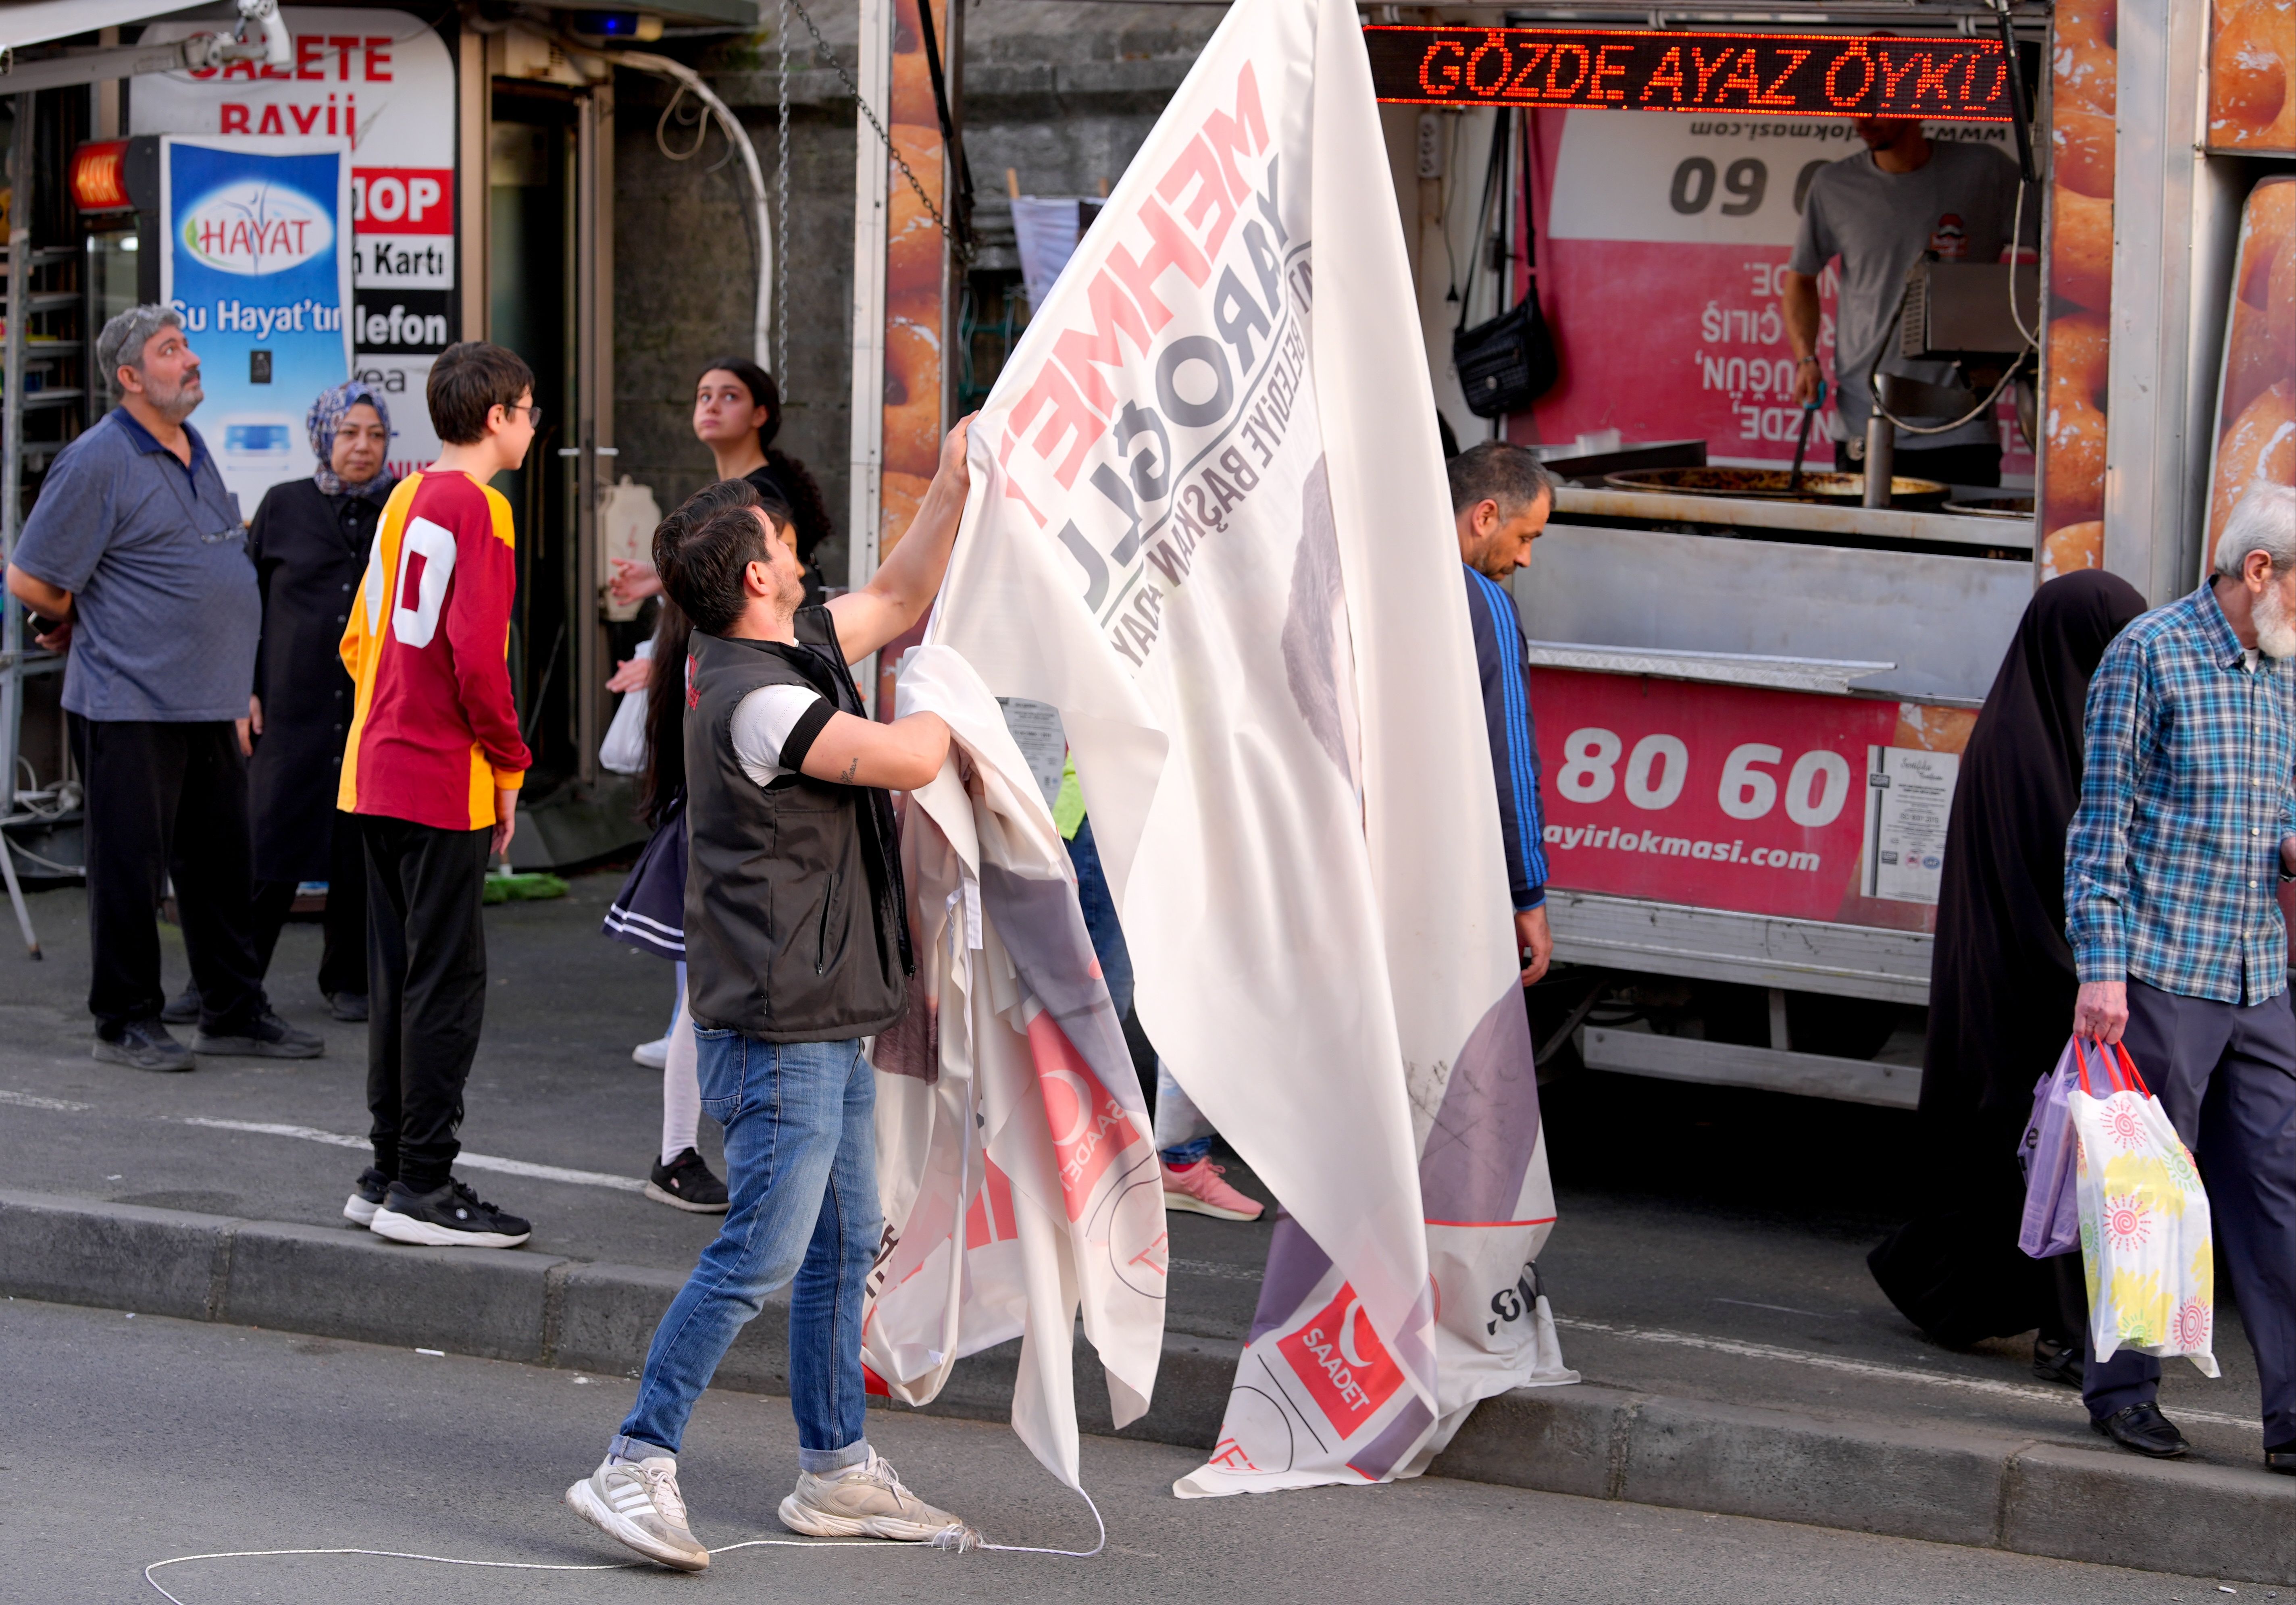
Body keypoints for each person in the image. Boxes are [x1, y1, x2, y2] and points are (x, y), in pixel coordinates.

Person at [564, 422, 974, 1570]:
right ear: (756, 572)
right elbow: (905, 755)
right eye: (787, 544)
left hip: (825, 1015)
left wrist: (952, 472)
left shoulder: (779, 641)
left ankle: (835, 1469)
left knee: (841, 1248)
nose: (802, 555)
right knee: (761, 1252)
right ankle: (633, 1459)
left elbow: (896, 594)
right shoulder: (753, 697)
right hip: (782, 1025)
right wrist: (957, 686)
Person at [3, 305, 321, 1071]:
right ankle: (125, 1020)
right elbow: (30, 576)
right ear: (131, 377)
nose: (191, 359)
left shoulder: (191, 444)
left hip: (208, 700)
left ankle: (233, 1010)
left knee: (220, 869)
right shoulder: (97, 458)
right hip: (130, 700)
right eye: (171, 350)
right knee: (128, 870)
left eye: (187, 345)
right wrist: (79, 615)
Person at [2064, 482, 2296, 1472]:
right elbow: (2098, 825)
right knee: (2144, 1197)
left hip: (2256, 971)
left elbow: (2273, 807)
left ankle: (2290, 1419)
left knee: (2280, 1195)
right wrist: (2099, 968)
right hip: (2158, 970)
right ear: (2258, 572)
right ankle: (2121, 1391)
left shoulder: (2284, 669)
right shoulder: (2147, 654)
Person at [1866, 570, 2146, 1382]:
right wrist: (2093, 974)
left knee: (2019, 1154)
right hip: (2036, 984)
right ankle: (2051, 1329)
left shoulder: (2028, 723)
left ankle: (1954, 1290)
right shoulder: (2039, 747)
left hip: (2010, 980)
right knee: (2052, 1156)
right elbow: (2051, 879)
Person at [338, 343, 537, 1248]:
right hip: (440, 774)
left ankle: (386, 1167)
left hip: (371, 765)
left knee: (394, 976)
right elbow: (477, 657)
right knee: (446, 982)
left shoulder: (404, 496)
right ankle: (424, 1180)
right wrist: (508, 763)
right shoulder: (484, 509)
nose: (533, 425)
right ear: (497, 416)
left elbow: (359, 638)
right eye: (529, 410)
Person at [167, 383, 396, 1028]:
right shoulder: (284, 505)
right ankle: (224, 981)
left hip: (368, 710)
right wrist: (241, 686)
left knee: (358, 846)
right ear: (323, 435)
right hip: (289, 707)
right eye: (349, 432)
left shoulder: (398, 512)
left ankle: (348, 977)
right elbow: (246, 603)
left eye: (375, 435)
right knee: (266, 848)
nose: (362, 446)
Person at [597, 480, 781, 1215]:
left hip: (700, 824)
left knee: (697, 1005)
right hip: (710, 831)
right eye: (774, 542)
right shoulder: (713, 638)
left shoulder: (687, 628)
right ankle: (677, 1152)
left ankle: (684, 1151)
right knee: (698, 1008)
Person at [1782, 109, 2032, 487]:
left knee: (1960, 546)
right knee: (1866, 545)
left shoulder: (1984, 170)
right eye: (1854, 109)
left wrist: (2017, 346)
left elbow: (2060, 251)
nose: (1862, 121)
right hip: (1865, 420)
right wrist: (1805, 358)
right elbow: (1800, 280)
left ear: (1915, 103)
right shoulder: (1833, 184)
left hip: (1963, 423)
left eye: (1876, 109)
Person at [1450, 441, 1555, 988]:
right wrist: (1527, 893)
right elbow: (1508, 758)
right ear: (1484, 515)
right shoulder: (1480, 603)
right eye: (1525, 537)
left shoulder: (1358, 567)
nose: (1524, 560)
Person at [612, 358, 837, 611]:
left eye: (730, 397)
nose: (712, 407)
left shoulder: (763, 495)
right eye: (704, 397)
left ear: (760, 414)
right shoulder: (743, 488)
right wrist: (660, 576)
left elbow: (743, 584)